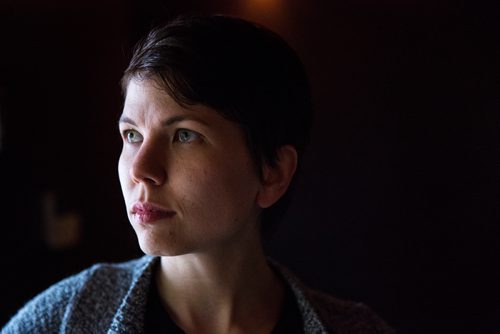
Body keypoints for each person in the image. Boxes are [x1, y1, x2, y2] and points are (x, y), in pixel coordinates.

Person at [2, 15, 394, 333]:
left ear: (272, 172)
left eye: (184, 135)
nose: (141, 169)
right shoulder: (62, 320)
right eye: (132, 135)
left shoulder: (355, 328)